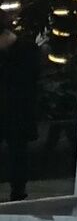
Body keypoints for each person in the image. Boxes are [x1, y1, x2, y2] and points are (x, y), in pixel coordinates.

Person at [0, 19, 39, 200]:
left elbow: (28, 81)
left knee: (18, 153)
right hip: (11, 109)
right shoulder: (25, 50)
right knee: (18, 152)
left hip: (18, 111)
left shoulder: (27, 51)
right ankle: (17, 189)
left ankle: (18, 190)